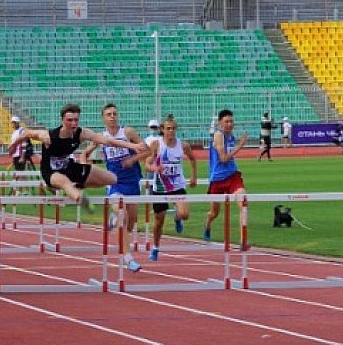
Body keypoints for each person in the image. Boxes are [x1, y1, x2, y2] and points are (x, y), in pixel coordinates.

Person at [9, 103, 149, 210]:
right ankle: (79, 198)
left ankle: (80, 186)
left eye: (76, 120)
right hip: (50, 172)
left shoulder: (81, 133)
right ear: (63, 120)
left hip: (69, 167)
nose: (73, 123)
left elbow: (106, 140)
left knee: (112, 179)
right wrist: (14, 144)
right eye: (70, 120)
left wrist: (133, 146)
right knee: (63, 181)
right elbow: (27, 133)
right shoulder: (48, 136)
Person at [80, 104, 150, 272]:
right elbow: (83, 154)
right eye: (108, 114)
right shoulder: (101, 137)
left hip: (132, 182)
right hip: (114, 183)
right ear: (103, 118)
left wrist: (132, 160)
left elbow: (147, 150)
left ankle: (115, 220)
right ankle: (128, 258)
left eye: (114, 114)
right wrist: (85, 169)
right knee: (122, 216)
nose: (112, 116)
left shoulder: (127, 133)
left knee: (131, 223)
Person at [145, 115, 198, 261]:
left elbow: (193, 158)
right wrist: (155, 168)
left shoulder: (183, 145)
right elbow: (147, 163)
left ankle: (177, 217)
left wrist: (194, 177)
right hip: (161, 187)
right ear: (162, 129)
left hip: (177, 186)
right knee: (159, 221)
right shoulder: (156, 144)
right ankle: (155, 247)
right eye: (168, 128)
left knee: (185, 214)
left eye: (173, 128)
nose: (171, 131)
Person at [202, 108, 248, 242]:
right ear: (220, 123)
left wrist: (237, 146)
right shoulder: (218, 135)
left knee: (243, 203)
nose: (230, 124)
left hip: (233, 176)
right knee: (214, 213)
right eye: (227, 121)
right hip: (217, 179)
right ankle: (207, 224)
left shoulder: (231, 136)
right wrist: (239, 147)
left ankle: (243, 240)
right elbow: (222, 158)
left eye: (231, 121)